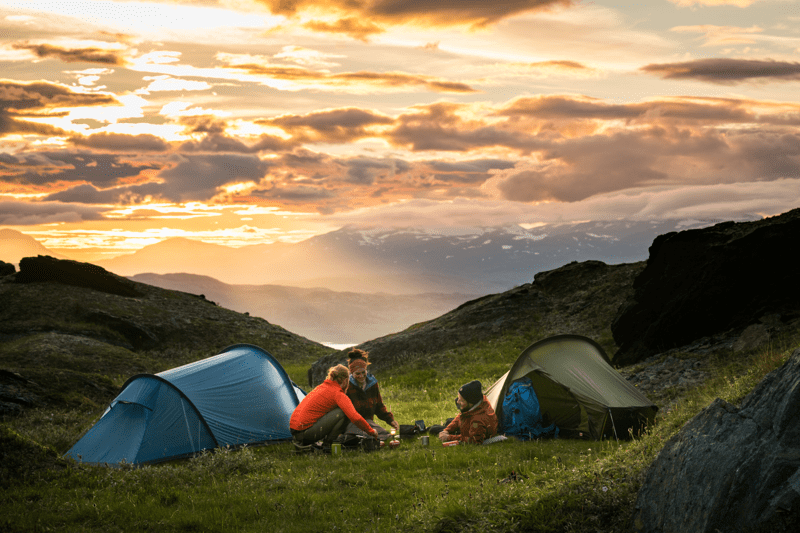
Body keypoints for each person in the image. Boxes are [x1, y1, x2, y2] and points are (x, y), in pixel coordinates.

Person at [289, 364, 379, 449]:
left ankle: (320, 442)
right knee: (343, 412)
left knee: (337, 410)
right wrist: (371, 431)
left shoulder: (322, 387)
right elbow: (355, 417)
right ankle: (328, 444)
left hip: (295, 432)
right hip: (304, 435)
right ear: (344, 380)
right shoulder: (337, 393)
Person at [343, 349, 400, 440]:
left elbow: (379, 406)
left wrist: (390, 420)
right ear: (351, 373)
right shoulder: (347, 386)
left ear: (366, 370)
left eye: (363, 372)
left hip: (368, 422)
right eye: (357, 373)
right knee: (365, 437)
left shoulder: (372, 384)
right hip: (352, 423)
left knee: (383, 434)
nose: (361, 376)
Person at [437, 380, 498, 444]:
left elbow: (474, 440)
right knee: (448, 421)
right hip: (467, 426)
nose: (457, 402)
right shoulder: (476, 405)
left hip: (470, 430)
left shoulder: (478, 421)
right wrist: (446, 430)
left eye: (461, 400)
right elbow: (460, 416)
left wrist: (448, 437)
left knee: (435, 429)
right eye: (458, 398)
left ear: (470, 403)